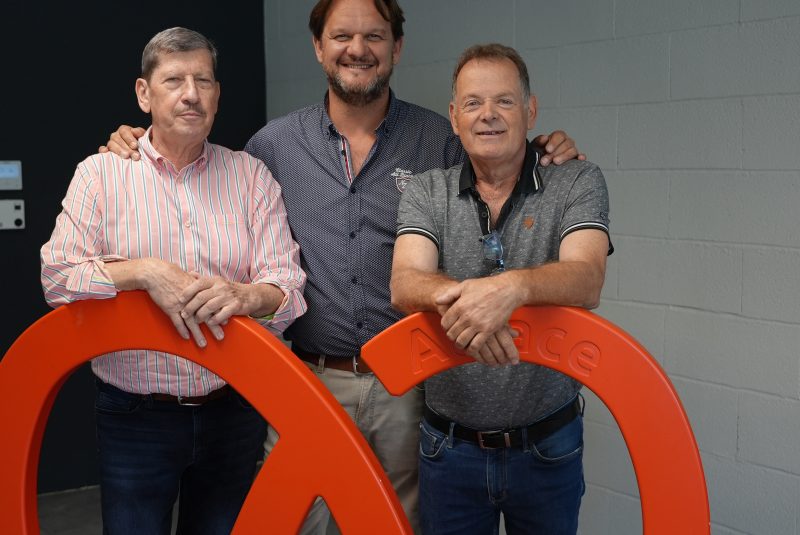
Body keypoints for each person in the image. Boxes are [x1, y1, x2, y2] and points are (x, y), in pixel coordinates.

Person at [100, 2, 582, 532]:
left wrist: (544, 149)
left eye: (374, 36)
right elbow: (205, 171)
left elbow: (498, 168)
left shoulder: (439, 141)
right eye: (341, 36)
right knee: (295, 521)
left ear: (396, 47)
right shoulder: (273, 146)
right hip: (309, 379)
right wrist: (139, 139)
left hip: (406, 386)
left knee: (398, 523)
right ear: (318, 47)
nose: (358, 49)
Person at [40, 27, 306, 535]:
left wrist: (247, 295)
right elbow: (58, 276)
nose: (191, 94)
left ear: (217, 95)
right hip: (134, 415)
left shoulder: (250, 176)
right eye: (174, 80)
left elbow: (287, 284)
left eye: (203, 81)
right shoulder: (100, 175)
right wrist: (144, 271)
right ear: (144, 94)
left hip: (235, 409)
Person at [390, 43, 611, 535]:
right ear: (454, 117)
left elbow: (587, 277)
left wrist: (510, 289)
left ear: (530, 110)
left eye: (504, 101)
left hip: (547, 444)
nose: (487, 114)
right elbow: (405, 283)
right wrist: (479, 305)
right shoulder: (427, 190)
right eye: (473, 102)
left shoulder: (576, 180)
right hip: (449, 448)